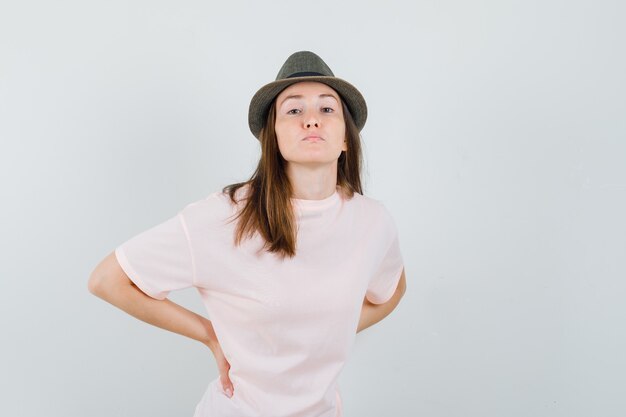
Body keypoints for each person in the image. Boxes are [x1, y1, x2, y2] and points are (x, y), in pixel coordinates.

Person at [88, 50, 407, 417]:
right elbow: (107, 280)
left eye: (327, 109)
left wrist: (329, 328)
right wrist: (211, 335)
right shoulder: (225, 217)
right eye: (293, 110)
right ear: (272, 136)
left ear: (346, 139)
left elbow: (393, 289)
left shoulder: (372, 221)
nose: (311, 121)